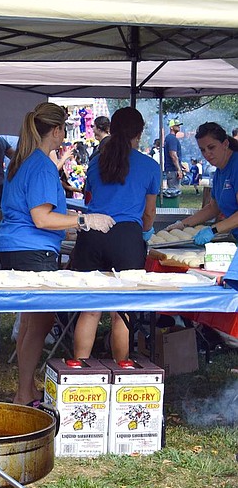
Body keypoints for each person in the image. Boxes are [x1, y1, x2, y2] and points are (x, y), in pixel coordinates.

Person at [0, 102, 114, 406]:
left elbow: (32, 214)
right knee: (40, 322)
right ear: (57, 131)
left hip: (13, 246)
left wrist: (67, 227)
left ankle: (26, 388)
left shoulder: (21, 161)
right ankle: (24, 392)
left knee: (30, 321)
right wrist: (85, 220)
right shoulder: (42, 166)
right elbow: (41, 218)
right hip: (32, 250)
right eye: (65, 129)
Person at [72, 107, 160, 362]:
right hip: (126, 236)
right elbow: (149, 213)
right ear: (139, 132)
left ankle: (79, 369)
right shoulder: (149, 166)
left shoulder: (96, 161)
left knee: (90, 309)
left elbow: (89, 197)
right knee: (122, 311)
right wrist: (146, 233)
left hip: (93, 232)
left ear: (111, 129)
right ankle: (122, 368)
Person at [166, 121, 238, 245]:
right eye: (202, 150)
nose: (206, 154)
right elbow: (213, 207)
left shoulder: (236, 166)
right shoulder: (220, 171)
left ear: (225, 144)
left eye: (211, 147)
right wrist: (182, 224)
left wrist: (214, 230)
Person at [163, 118, 184, 193]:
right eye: (177, 125)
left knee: (173, 191)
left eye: (179, 125)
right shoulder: (172, 138)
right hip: (173, 170)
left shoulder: (169, 138)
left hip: (170, 170)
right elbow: (173, 155)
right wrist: (179, 169)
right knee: (174, 193)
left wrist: (181, 165)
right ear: (171, 127)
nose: (179, 126)